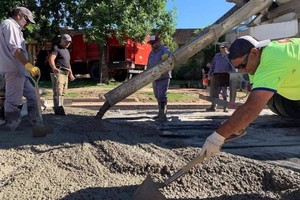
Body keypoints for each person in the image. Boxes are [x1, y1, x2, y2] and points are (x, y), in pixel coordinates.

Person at [200, 35, 300, 158]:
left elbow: (251, 108)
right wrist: (237, 123)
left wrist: (217, 137)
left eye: (242, 65)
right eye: (237, 68)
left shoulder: (273, 61)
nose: (241, 71)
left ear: (253, 52)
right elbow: (252, 101)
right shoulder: (258, 61)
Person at [0, 7, 41, 131]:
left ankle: (33, 121)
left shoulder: (15, 28)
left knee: (34, 96)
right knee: (13, 100)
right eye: (27, 20)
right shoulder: (10, 25)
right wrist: (29, 66)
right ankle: (11, 126)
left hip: (19, 70)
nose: (27, 23)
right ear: (19, 15)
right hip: (14, 69)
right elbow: (16, 50)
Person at [48, 34, 75, 115]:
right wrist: (53, 68)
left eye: (69, 42)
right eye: (66, 41)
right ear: (62, 40)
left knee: (63, 92)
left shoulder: (66, 51)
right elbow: (51, 58)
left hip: (66, 73)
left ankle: (61, 106)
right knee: (57, 91)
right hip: (59, 72)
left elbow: (68, 63)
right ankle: (57, 108)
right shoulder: (56, 48)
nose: (68, 43)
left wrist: (71, 73)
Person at [147, 35, 172, 121]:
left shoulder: (164, 50)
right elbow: (148, 64)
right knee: (157, 96)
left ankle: (163, 114)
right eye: (151, 44)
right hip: (154, 78)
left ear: (158, 42)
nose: (152, 45)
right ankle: (160, 113)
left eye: (154, 43)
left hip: (163, 77)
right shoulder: (151, 52)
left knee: (162, 96)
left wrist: (166, 56)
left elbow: (169, 54)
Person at [206, 43, 235, 112]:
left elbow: (233, 67)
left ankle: (225, 107)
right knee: (214, 92)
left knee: (225, 92)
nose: (222, 49)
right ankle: (213, 106)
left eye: (223, 47)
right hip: (216, 75)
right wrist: (210, 74)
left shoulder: (229, 56)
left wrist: (232, 74)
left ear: (226, 48)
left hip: (225, 75)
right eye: (221, 48)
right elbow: (213, 65)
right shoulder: (217, 56)